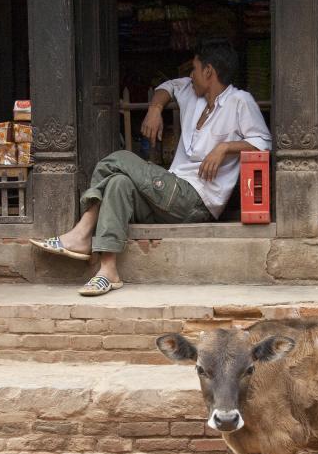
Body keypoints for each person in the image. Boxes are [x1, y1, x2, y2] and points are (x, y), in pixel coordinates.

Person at [30, 40, 271, 296]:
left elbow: (263, 143)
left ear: (209, 72)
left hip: (197, 200)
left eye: (196, 69)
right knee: (117, 184)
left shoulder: (239, 101)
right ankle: (108, 270)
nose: (191, 75)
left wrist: (224, 148)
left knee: (119, 159)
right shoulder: (193, 94)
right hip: (171, 193)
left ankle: (83, 231)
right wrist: (155, 108)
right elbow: (167, 87)